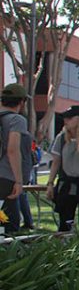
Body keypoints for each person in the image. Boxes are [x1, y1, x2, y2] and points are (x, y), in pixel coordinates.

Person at [0, 83, 32, 235]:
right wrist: (19, 181)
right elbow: (12, 150)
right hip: (6, 177)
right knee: (10, 225)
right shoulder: (17, 120)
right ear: (21, 102)